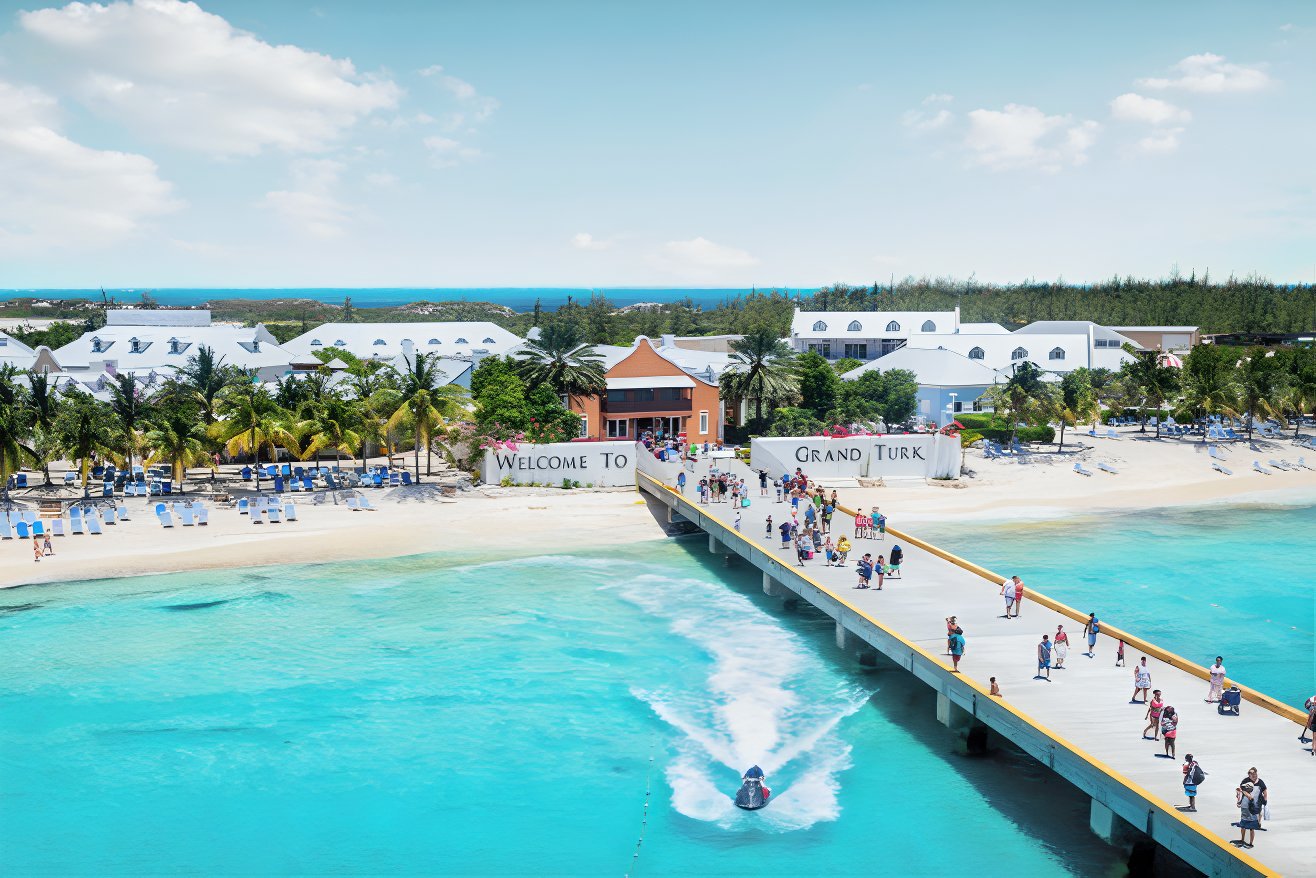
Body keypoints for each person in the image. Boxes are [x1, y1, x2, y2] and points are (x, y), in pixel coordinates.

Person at [1236, 782, 1260, 849]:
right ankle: (1242, 840)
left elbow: (1250, 798)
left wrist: (1242, 791)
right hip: (1244, 815)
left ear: (1250, 788)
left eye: (1246, 787)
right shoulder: (1243, 795)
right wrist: (1239, 795)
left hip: (1251, 817)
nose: (1245, 788)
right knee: (1242, 828)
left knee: (1251, 829)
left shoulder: (1251, 795)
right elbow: (1239, 804)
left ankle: (1251, 844)